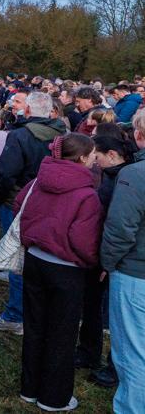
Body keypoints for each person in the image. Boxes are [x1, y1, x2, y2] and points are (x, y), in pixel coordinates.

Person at [15, 133, 103, 412]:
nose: (94, 159)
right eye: (92, 155)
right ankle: (54, 397)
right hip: (67, 268)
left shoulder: (39, 181)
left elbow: (19, 206)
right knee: (62, 334)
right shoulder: (87, 194)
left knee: (36, 325)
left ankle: (29, 388)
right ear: (81, 158)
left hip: (36, 261)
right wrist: (90, 261)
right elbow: (84, 239)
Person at [0, 91, 66, 334]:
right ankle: (37, 312)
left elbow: (7, 173)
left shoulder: (20, 136)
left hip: (20, 201)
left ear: (28, 111)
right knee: (40, 257)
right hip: (53, 203)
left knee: (19, 260)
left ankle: (15, 315)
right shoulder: (63, 134)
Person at [79, 133, 136, 388]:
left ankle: (115, 367)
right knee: (92, 306)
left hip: (115, 258)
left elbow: (121, 225)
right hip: (101, 253)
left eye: (98, 157)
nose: (94, 162)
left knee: (119, 318)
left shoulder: (125, 180)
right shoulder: (111, 177)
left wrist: (108, 261)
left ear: (111, 155)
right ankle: (89, 352)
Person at [101, 110, 145, 413]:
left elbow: (120, 230)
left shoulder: (134, 175)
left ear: (139, 135)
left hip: (134, 274)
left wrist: (106, 263)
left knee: (133, 352)